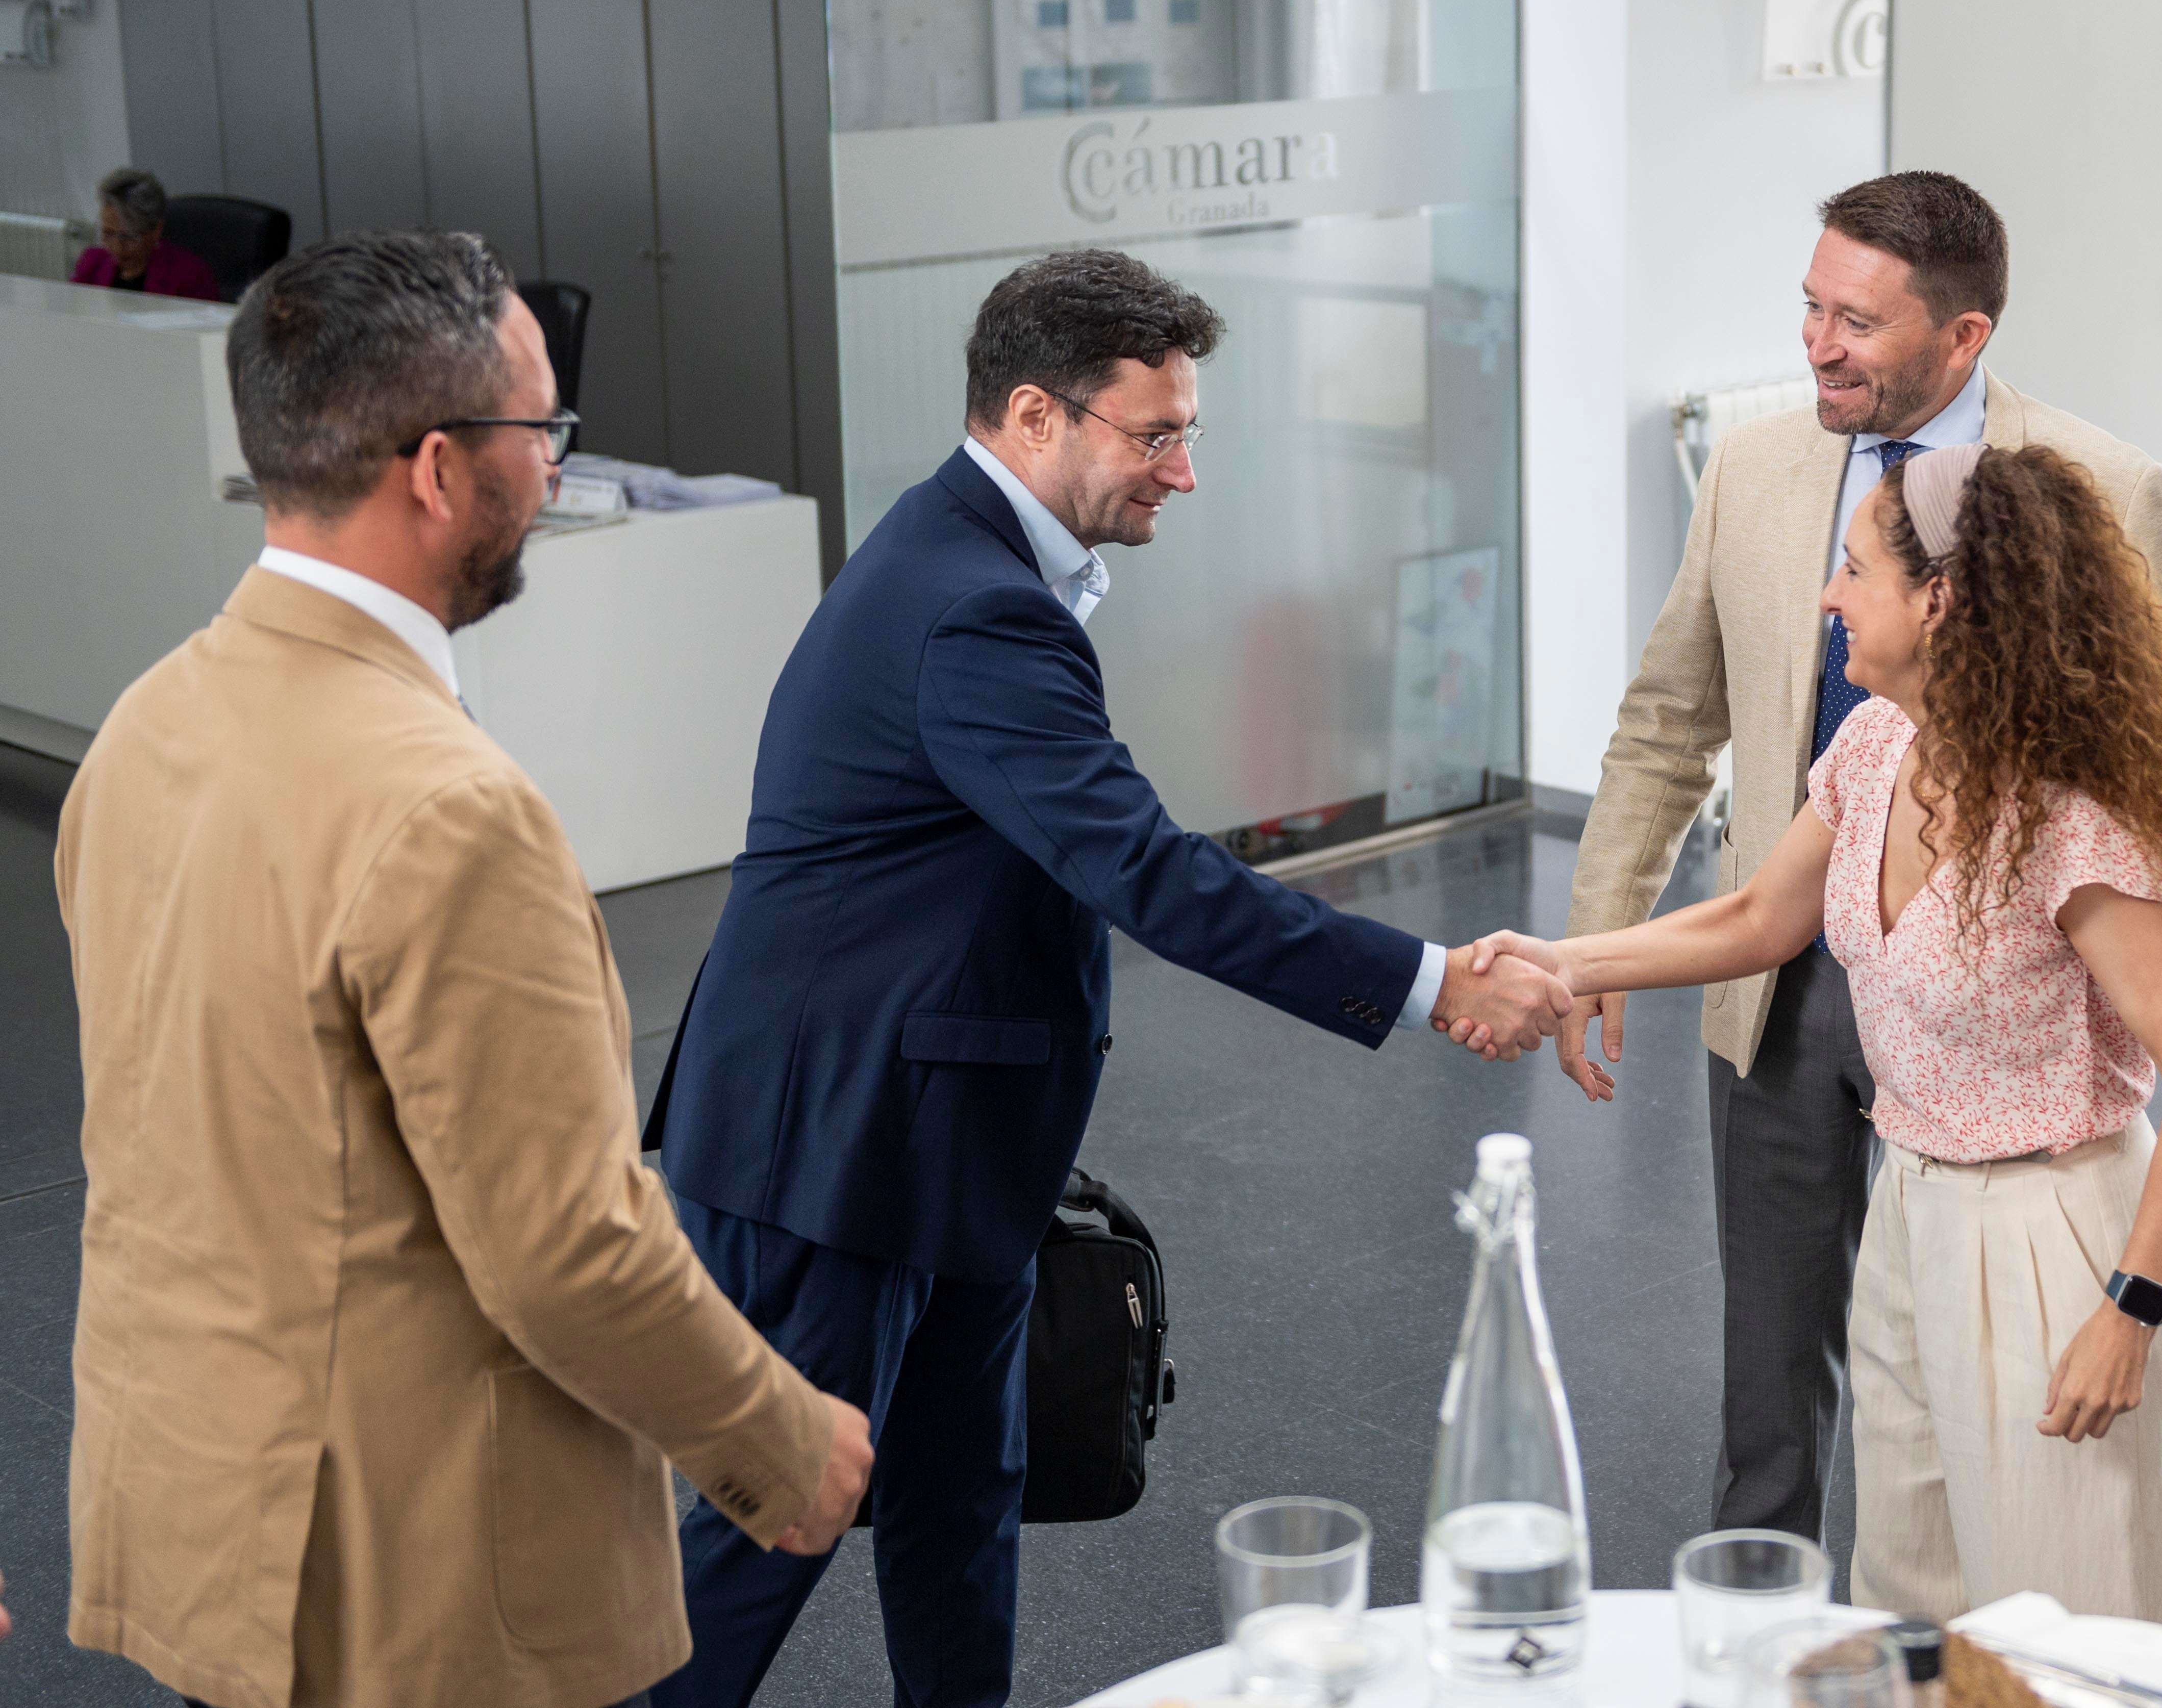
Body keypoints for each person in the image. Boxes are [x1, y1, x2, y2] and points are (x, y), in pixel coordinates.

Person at [644, 247, 1573, 1707]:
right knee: (767, 1532)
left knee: (961, 1509)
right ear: (1033, 417)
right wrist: (1434, 977)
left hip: (943, 1132)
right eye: (1159, 436)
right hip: (836, 1149)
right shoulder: (973, 603)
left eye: (1186, 433)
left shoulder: (977, 558)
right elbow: (1146, 872)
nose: (1184, 474)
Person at [55, 233, 873, 1708]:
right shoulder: (452, 811)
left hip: (209, 1514)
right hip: (421, 1587)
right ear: (437, 469)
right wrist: (781, 1445)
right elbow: (565, 1250)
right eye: (540, 432)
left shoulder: (142, 728)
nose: (554, 473)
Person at [1563, 169, 2162, 1546]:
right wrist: (1593, 940)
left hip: (2006, 1008)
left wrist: (2063, 914)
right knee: (1783, 1378)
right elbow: (1670, 719)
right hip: (1793, 973)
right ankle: (1765, 1643)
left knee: (2004, 1419)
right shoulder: (1756, 471)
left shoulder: (2104, 489)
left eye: (1857, 323)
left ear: (1963, 337)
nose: (1818, 344)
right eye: (1810, 308)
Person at [1471, 440, 2162, 1625]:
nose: (1830, 594)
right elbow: (1756, 916)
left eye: (1853, 567)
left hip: (2057, 1237)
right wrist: (1560, 960)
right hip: (1912, 1212)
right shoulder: (1881, 742)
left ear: (1940, 599)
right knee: (1911, 1600)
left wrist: (2133, 1307)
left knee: (2062, 1626)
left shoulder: (2069, 820)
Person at [68, 167, 222, 300]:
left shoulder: (191, 275)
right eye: (108, 234)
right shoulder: (93, 262)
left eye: (129, 237)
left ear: (156, 230)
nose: (118, 247)